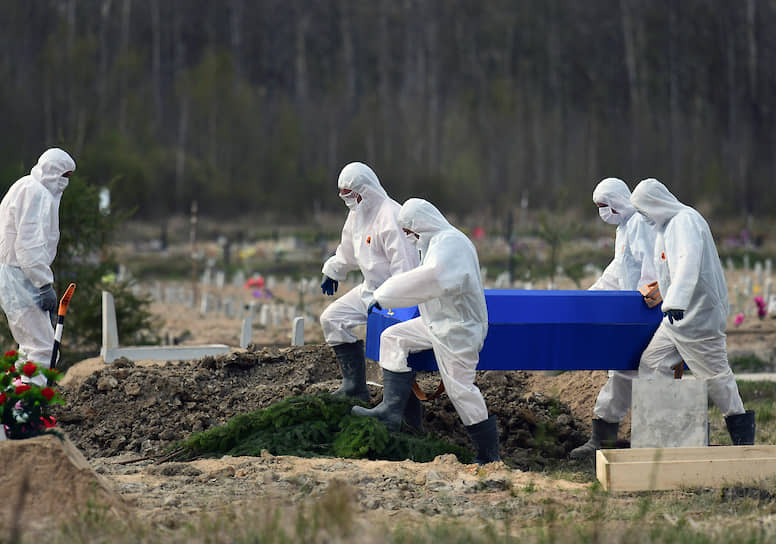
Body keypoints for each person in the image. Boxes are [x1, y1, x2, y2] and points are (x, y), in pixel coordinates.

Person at [351, 198, 500, 465]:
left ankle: (488, 456)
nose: (408, 237)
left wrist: (384, 295)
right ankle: (392, 412)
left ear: (421, 223)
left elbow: (430, 279)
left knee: (461, 390)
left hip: (458, 330)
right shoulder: (433, 243)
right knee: (393, 338)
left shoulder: (450, 243)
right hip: (437, 323)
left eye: (409, 231)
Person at [629, 178, 755, 445]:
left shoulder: (685, 221)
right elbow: (672, 269)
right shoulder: (665, 228)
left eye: (643, 211)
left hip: (698, 317)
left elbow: (688, 262)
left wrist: (676, 299)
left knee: (715, 378)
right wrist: (666, 292)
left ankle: (742, 435)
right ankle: (668, 430)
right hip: (676, 319)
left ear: (655, 204)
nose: (643, 218)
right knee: (653, 363)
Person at [570, 178, 657, 459]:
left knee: (646, 373)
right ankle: (605, 437)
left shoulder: (641, 224)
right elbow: (617, 271)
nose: (603, 212)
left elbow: (651, 267)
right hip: (630, 309)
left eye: (605, 206)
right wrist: (590, 296)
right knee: (623, 372)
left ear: (618, 200)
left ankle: (655, 439)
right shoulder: (625, 229)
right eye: (598, 207)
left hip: (645, 308)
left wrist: (646, 297)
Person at [319, 162, 419, 403]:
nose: (348, 201)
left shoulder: (391, 217)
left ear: (365, 190)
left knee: (392, 347)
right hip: (370, 291)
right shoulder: (357, 214)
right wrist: (334, 269)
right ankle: (354, 387)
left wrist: (389, 299)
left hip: (398, 298)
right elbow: (348, 250)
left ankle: (398, 405)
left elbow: (406, 269)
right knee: (332, 319)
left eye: (351, 195)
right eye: (343, 196)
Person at [0, 148, 76, 387]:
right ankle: (28, 407)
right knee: (43, 348)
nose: (66, 181)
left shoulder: (27, 187)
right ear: (53, 171)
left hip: (15, 275)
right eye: (65, 175)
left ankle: (16, 405)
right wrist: (43, 283)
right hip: (20, 277)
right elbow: (29, 246)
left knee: (30, 347)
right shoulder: (35, 193)